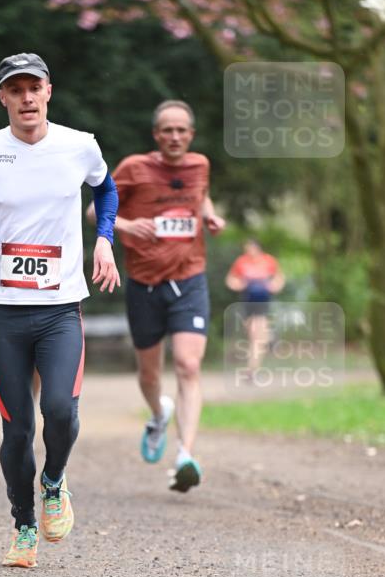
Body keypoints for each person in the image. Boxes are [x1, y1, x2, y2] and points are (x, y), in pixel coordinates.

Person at [0, 53, 119, 568]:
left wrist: (104, 239)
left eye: (33, 87)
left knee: (60, 410)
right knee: (15, 429)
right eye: (15, 90)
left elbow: (106, 190)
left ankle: (54, 481)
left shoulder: (79, 146)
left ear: (48, 91)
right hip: (4, 310)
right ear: (3, 98)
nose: (26, 98)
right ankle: (23, 525)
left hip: (61, 306)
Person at [89, 100, 225, 493]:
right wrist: (128, 227)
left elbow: (200, 197)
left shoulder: (200, 165)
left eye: (182, 130)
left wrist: (208, 216)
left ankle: (185, 455)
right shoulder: (133, 167)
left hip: (189, 279)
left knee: (188, 365)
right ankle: (157, 414)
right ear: (156, 135)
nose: (175, 136)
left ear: (191, 135)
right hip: (144, 283)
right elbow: (94, 209)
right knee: (149, 374)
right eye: (167, 130)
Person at [225, 239, 285, 381]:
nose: (249, 251)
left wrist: (274, 286)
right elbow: (230, 279)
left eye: (251, 248)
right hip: (248, 301)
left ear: (257, 248)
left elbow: (279, 278)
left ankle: (251, 370)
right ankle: (270, 337)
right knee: (254, 334)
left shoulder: (268, 260)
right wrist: (238, 285)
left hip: (262, 301)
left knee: (256, 336)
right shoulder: (241, 262)